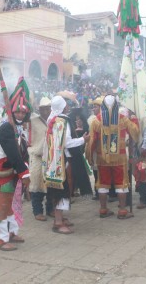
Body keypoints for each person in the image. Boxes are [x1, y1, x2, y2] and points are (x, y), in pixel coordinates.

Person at [0, 107, 30, 251]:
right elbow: (12, 152)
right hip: (3, 172)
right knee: (2, 205)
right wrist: (24, 172)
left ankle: (11, 232)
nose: (21, 115)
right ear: (11, 112)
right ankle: (0, 239)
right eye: (17, 112)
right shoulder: (6, 127)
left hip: (13, 171)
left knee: (11, 204)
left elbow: (21, 151)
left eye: (23, 112)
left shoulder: (17, 127)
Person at [88, 94, 139, 219]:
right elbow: (135, 132)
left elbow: (92, 141)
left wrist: (89, 156)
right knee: (121, 183)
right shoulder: (123, 119)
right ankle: (122, 211)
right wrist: (134, 119)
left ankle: (103, 209)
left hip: (102, 157)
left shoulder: (96, 120)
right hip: (119, 157)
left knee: (102, 183)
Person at [44, 95, 89, 234]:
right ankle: (57, 222)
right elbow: (67, 142)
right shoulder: (64, 121)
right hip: (62, 160)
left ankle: (60, 218)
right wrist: (83, 139)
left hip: (52, 161)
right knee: (62, 190)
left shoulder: (51, 119)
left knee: (57, 189)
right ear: (65, 107)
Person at [29, 97, 53, 221]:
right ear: (39, 109)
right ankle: (37, 211)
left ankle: (50, 208)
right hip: (37, 156)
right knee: (36, 184)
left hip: (51, 157)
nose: (45, 111)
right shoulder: (32, 120)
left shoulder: (53, 121)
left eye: (48, 108)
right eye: (43, 109)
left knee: (50, 185)